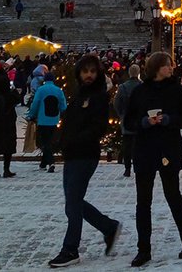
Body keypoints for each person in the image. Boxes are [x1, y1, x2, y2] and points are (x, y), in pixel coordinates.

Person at [123, 52, 182, 267]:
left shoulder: (176, 90)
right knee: (143, 201)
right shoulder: (140, 92)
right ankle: (143, 248)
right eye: (167, 65)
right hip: (145, 149)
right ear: (157, 68)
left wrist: (169, 120)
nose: (171, 68)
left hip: (168, 147)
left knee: (173, 194)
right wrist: (145, 122)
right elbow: (129, 121)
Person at [49, 54, 121, 268]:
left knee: (73, 202)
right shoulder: (79, 95)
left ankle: (70, 249)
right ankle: (108, 227)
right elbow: (69, 122)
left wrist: (74, 140)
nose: (88, 75)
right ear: (79, 74)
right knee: (73, 201)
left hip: (85, 154)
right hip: (72, 154)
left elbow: (98, 127)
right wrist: (59, 141)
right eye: (85, 71)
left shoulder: (99, 97)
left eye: (92, 71)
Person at [28, 74, 66, 173]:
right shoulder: (58, 90)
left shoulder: (41, 90)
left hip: (43, 120)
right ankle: (43, 164)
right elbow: (63, 105)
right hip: (54, 120)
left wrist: (31, 115)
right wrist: (64, 114)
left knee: (45, 142)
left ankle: (51, 162)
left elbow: (35, 103)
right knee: (49, 142)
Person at [113, 63, 141, 178]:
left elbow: (116, 103)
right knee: (139, 145)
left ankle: (127, 168)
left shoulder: (123, 87)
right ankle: (138, 167)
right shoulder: (142, 86)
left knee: (127, 144)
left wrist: (121, 114)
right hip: (140, 119)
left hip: (126, 118)